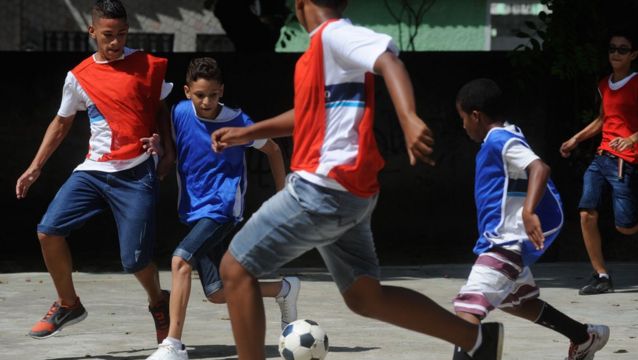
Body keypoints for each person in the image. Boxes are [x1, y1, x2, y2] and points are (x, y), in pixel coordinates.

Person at [210, 1, 504, 359]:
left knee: (234, 268)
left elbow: (388, 60)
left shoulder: (334, 35)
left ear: (301, 4)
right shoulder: (323, 54)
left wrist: (409, 117)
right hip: (350, 198)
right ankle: (476, 341)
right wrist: (247, 133)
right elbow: (306, 115)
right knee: (366, 297)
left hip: (321, 191)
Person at [15, 0, 174, 343]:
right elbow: (60, 123)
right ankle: (68, 303)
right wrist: (35, 167)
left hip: (135, 173)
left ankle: (159, 302)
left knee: (134, 261)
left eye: (121, 34)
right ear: (92, 32)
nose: (115, 42)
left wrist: (167, 148)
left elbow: (160, 108)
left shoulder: (148, 65)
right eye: (107, 35)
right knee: (48, 231)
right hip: (94, 171)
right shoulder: (79, 77)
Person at [143, 57, 300, 360]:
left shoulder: (238, 121)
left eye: (213, 95)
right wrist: (159, 152)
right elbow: (175, 150)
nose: (207, 101)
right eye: (200, 94)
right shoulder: (179, 113)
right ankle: (283, 289)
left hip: (223, 207)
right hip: (193, 210)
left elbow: (273, 150)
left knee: (180, 260)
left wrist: (282, 195)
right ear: (188, 91)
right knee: (216, 292)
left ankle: (173, 345)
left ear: (222, 91)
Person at [452, 78, 610, 360]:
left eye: (462, 118)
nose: (462, 125)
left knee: (466, 312)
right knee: (515, 302)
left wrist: (528, 211)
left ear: (476, 115)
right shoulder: (507, 133)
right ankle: (584, 337)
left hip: (504, 243)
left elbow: (539, 168)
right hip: (509, 241)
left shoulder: (500, 139)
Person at [559, 31, 638, 295]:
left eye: (623, 49)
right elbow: (603, 119)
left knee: (625, 227)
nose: (616, 53)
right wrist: (575, 139)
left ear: (634, 54)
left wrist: (631, 139)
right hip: (602, 157)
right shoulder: (604, 84)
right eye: (612, 49)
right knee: (586, 213)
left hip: (625, 160)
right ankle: (601, 275)